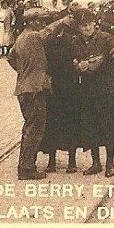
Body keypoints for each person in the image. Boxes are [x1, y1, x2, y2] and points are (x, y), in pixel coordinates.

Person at [72, 8, 114, 177]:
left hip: (108, 88)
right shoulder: (76, 42)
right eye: (83, 26)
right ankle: (95, 162)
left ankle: (110, 163)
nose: (87, 28)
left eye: (89, 24)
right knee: (91, 126)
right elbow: (73, 60)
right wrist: (78, 66)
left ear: (94, 24)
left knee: (108, 126)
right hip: (89, 90)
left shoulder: (105, 38)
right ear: (79, 28)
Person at [7, 8, 52, 180]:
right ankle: (26, 168)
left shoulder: (20, 37)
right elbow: (49, 33)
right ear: (32, 21)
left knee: (29, 127)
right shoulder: (33, 36)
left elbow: (10, 58)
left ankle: (26, 165)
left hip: (24, 88)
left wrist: (23, 72)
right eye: (40, 21)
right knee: (34, 129)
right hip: (34, 89)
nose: (43, 24)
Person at [41, 12, 82, 173]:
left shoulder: (72, 41)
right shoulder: (47, 43)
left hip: (69, 87)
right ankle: (52, 160)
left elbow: (78, 60)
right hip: (53, 88)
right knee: (52, 124)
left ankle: (71, 161)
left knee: (70, 123)